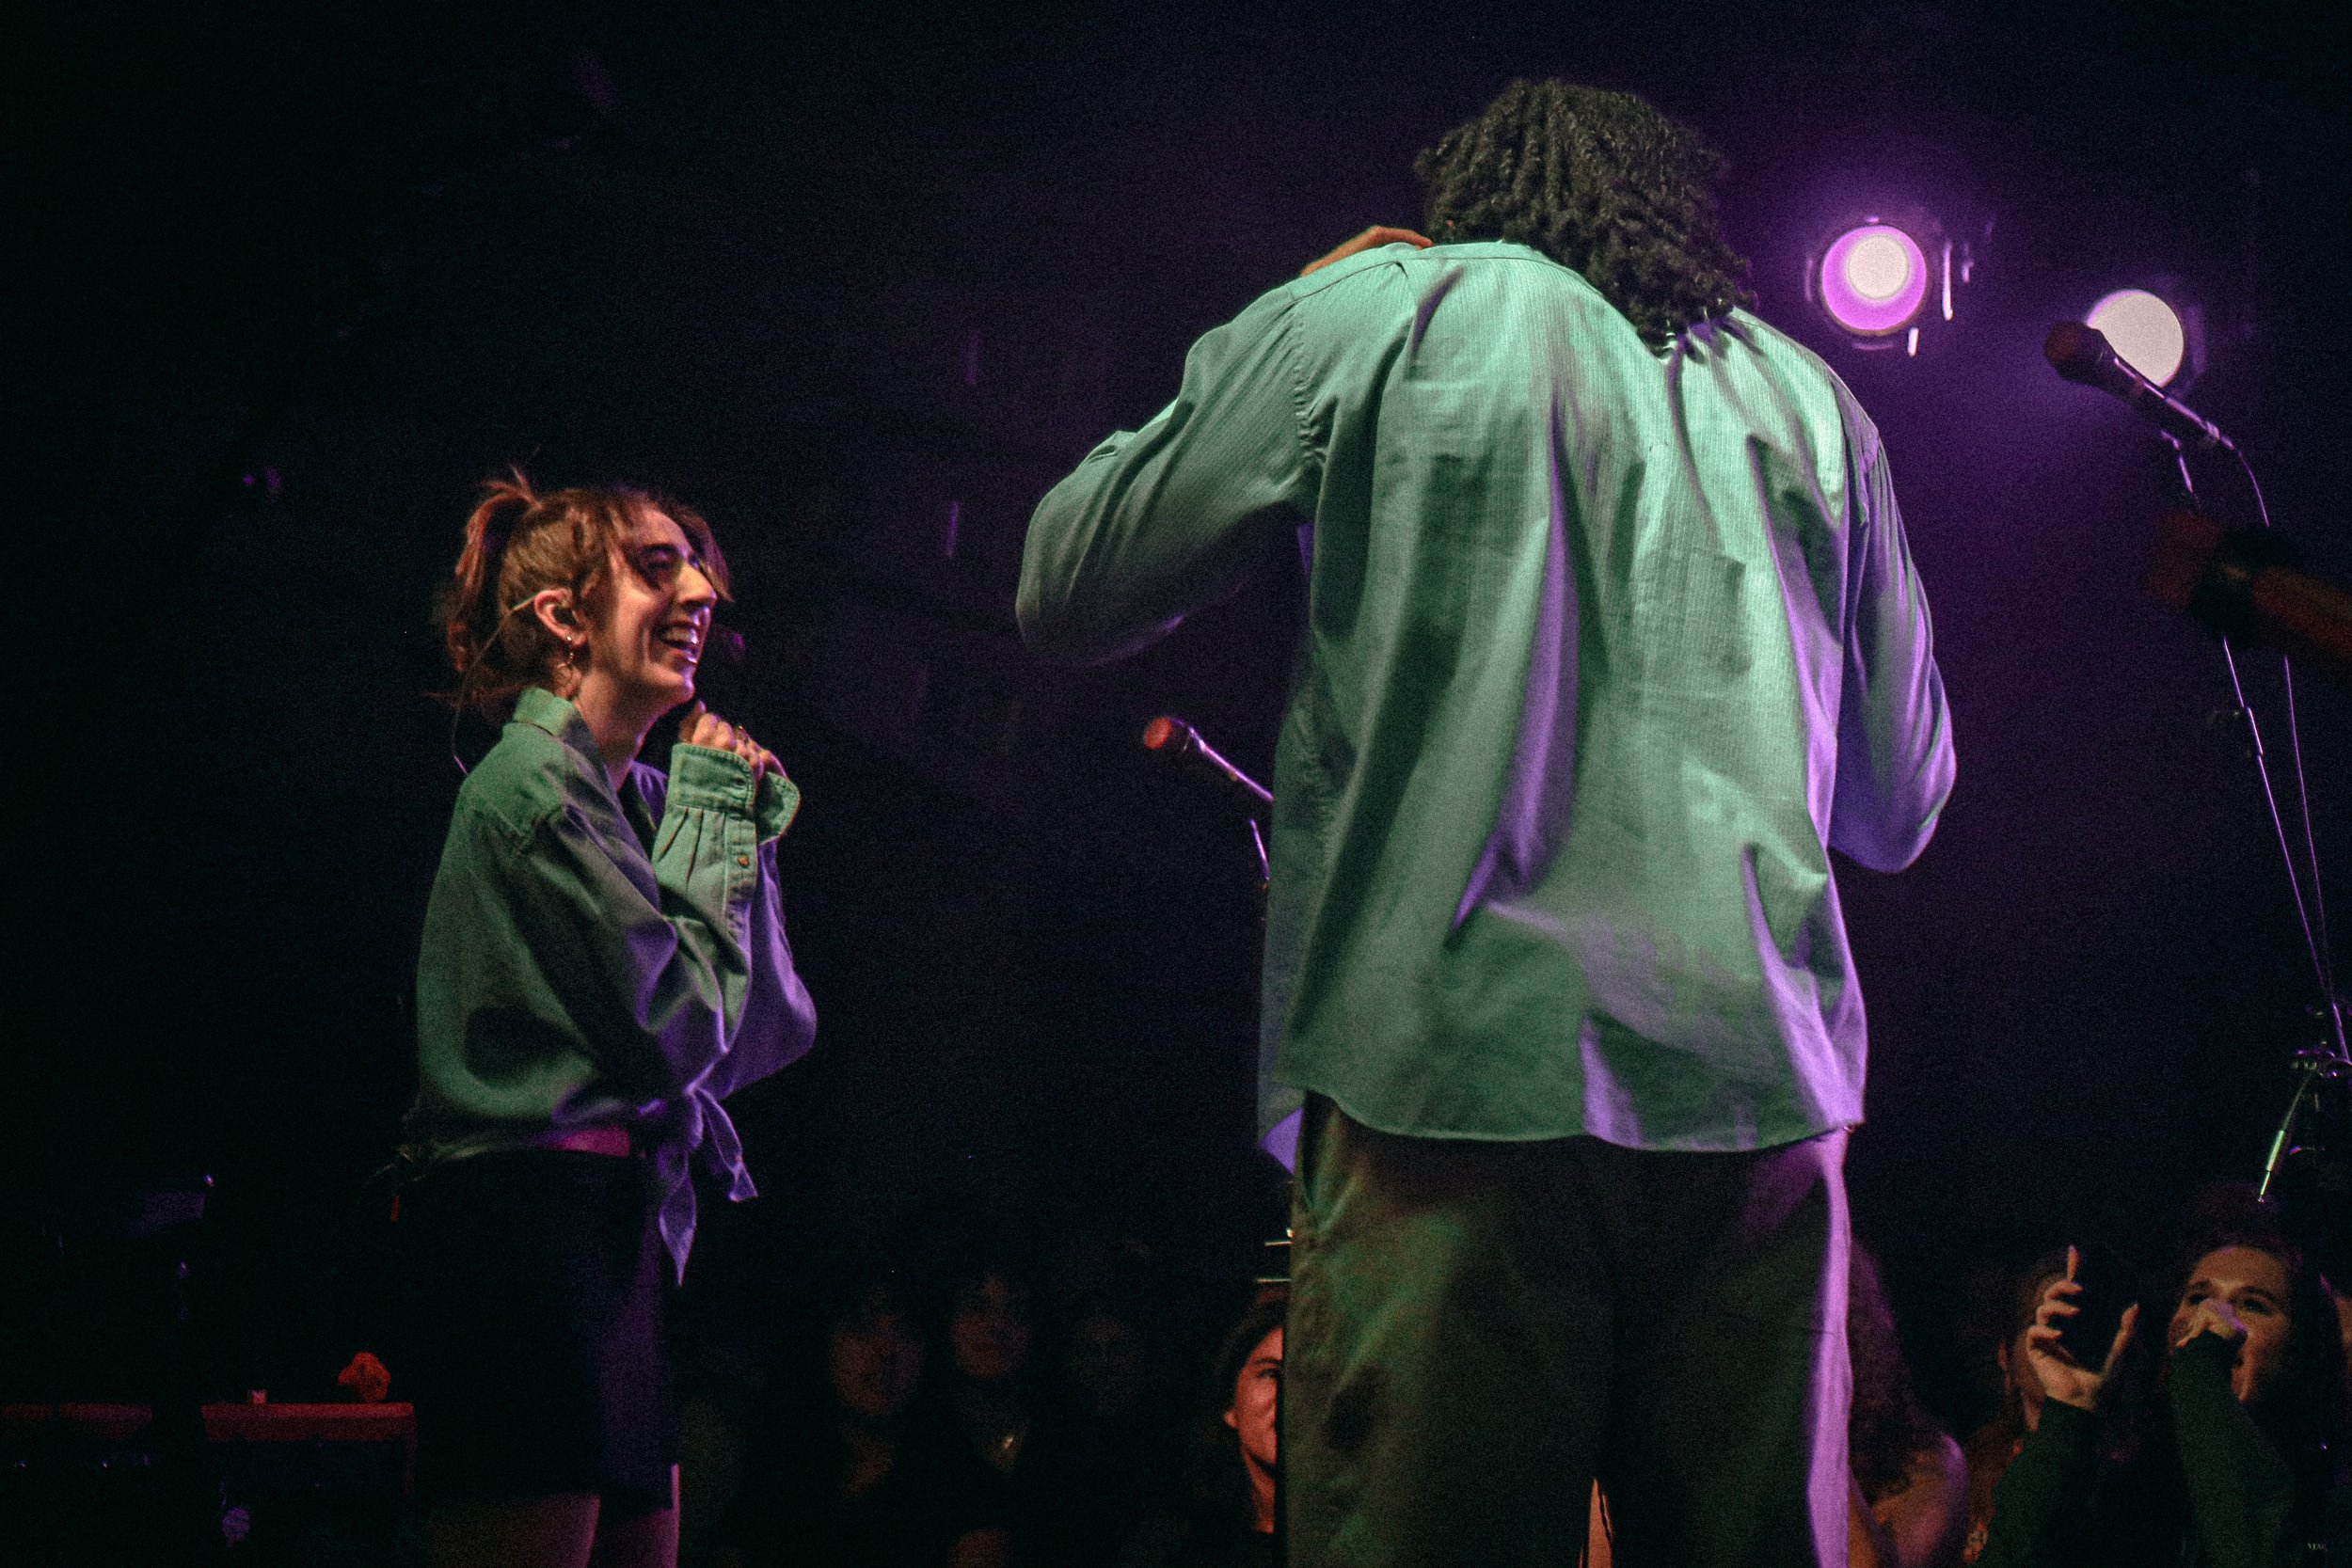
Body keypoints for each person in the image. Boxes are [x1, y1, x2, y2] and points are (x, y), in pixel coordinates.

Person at [1018, 78, 1952, 1565]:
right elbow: (1899, 806)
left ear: (1475, 201)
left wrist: (1293, 307)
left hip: (1451, 1081)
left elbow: (1072, 581)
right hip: (1754, 1098)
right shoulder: (1809, 396)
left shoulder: (1387, 310)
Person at [399, 474, 818, 1568]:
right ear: (563, 615)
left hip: (601, 1226)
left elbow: (757, 1036)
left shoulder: (626, 800)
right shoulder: (530, 789)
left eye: (696, 565)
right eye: (655, 564)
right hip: (526, 1228)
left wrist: (731, 839)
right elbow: (679, 1033)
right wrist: (713, 828)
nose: (700, 591)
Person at [1979, 1203, 2352, 1567]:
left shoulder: (2328, 1504)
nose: (2211, 1317)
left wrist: (2204, 1370)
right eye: (2197, 1298)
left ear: (2303, 1349)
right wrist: (2069, 1407)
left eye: (2253, 1305)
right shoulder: (2136, 1488)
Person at [718, 1276, 1011, 1568]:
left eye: (904, 1331)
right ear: (826, 1343)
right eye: (863, 1329)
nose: (886, 1352)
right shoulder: (779, 1471)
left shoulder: (964, 1495)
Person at [1120, 1291, 1287, 1568]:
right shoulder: (1176, 1544)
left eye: (1303, 1376)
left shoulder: (1368, 1535)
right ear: (1230, 1406)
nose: (1286, 1394)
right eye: (1270, 1374)